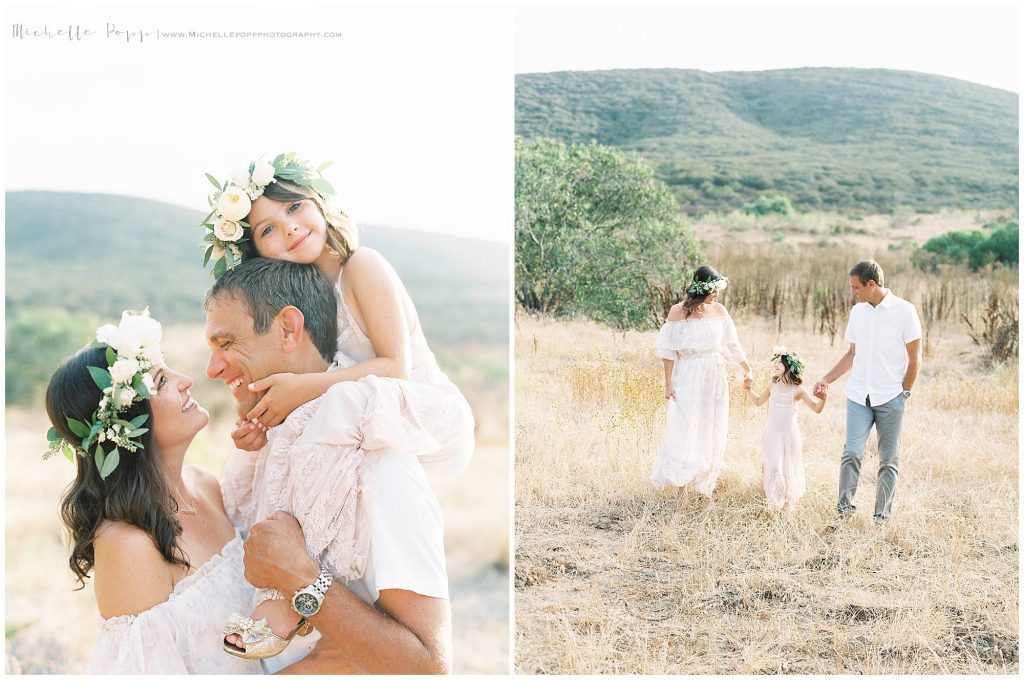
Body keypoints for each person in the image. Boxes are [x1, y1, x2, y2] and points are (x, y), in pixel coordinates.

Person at [206, 258, 453, 672]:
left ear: (288, 328)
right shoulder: (266, 450)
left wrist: (304, 582)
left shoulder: (375, 463)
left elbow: (427, 667)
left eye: (227, 342)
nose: (213, 368)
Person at [201, 152, 474, 484]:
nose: (290, 228)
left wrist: (300, 389)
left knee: (336, 404)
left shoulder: (361, 266)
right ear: (256, 252)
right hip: (362, 419)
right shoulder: (293, 299)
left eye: (294, 207)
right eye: (268, 229)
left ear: (318, 202)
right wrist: (260, 421)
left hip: (425, 418)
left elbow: (396, 369)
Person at [44, 309, 262, 674]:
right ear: (125, 421)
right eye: (161, 380)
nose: (187, 380)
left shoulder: (204, 484)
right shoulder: (128, 544)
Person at [813, 260, 922, 524]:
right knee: (851, 452)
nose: (853, 292)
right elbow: (852, 354)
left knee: (888, 460)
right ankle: (844, 512)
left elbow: (915, 358)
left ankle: (881, 518)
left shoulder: (905, 311)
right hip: (858, 395)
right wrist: (827, 379)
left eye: (856, 287)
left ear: (871, 284)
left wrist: (903, 394)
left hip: (890, 398)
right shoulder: (858, 313)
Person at [651, 265, 753, 496]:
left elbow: (731, 345)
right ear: (701, 290)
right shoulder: (678, 312)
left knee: (711, 425)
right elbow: (668, 351)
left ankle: (704, 485)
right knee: (685, 427)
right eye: (713, 290)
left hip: (714, 375)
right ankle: (681, 488)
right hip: (688, 374)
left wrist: (746, 369)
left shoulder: (720, 311)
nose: (716, 295)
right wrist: (668, 383)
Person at [744, 346, 825, 511]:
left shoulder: (798, 390)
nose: (775, 364)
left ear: (789, 367)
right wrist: (748, 390)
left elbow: (817, 408)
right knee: (774, 467)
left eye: (779, 362)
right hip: (772, 434)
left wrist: (823, 399)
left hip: (790, 436)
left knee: (788, 469)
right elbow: (758, 401)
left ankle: (788, 505)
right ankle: (774, 503)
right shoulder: (772, 385)